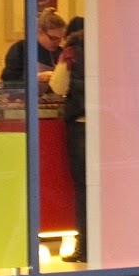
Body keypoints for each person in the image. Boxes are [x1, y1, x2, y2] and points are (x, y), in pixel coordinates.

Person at [58, 16, 87, 262]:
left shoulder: (71, 53)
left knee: (83, 188)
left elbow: (58, 86)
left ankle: (84, 246)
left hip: (80, 125)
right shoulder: (108, 47)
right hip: (112, 127)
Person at [0, 8, 66, 89]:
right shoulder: (20, 49)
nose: (57, 42)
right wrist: (39, 77)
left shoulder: (60, 52)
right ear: (39, 32)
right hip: (22, 99)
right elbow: (10, 81)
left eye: (60, 39)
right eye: (53, 38)